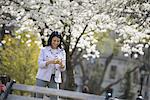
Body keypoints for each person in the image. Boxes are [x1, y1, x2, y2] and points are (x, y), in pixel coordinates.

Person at [36, 31, 66, 99]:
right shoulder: (44, 50)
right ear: (51, 40)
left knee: (55, 97)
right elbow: (40, 64)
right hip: (42, 77)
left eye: (58, 41)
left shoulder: (62, 52)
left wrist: (61, 64)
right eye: (54, 40)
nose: (56, 43)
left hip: (55, 78)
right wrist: (50, 62)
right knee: (38, 98)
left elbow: (63, 68)